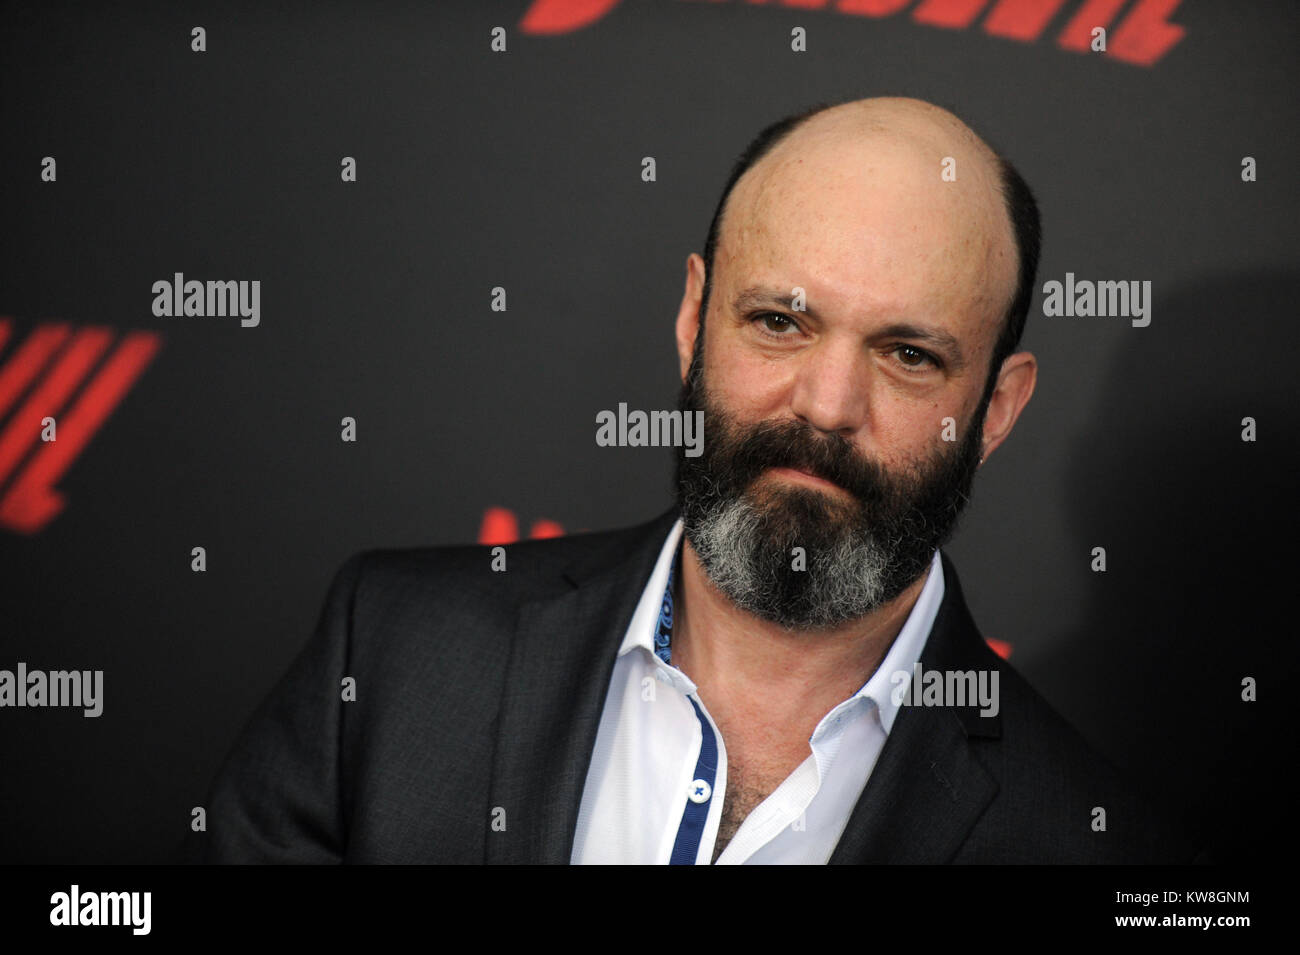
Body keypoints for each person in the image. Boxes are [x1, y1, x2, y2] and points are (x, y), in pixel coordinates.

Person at [193, 96, 1200, 864]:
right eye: (778, 322)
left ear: (996, 409)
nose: (825, 403)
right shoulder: (395, 657)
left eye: (907, 354)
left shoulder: (1094, 844)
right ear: (692, 320)